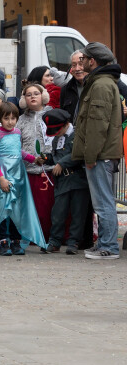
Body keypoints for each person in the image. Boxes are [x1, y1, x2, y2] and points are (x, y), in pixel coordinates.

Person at [73, 42, 123, 260]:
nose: (80, 62)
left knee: (103, 202)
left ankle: (109, 247)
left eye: (83, 58)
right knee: (103, 202)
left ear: (92, 61)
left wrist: (90, 156)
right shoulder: (101, 82)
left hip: (100, 155)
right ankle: (104, 242)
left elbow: (97, 124)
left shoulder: (101, 85)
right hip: (102, 153)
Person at [0, 102, 47, 256]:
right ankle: (2, 240)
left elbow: (19, 152)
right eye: (7, 118)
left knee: (16, 208)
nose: (10, 121)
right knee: (2, 208)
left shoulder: (17, 132)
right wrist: (0, 178)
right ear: (0, 118)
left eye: (13, 118)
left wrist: (34, 159)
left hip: (18, 176)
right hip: (2, 176)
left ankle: (15, 240)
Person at [41, 109, 89, 255]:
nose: (56, 133)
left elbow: (78, 154)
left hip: (78, 180)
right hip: (62, 181)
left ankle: (73, 242)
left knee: (78, 213)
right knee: (58, 213)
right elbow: (56, 157)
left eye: (58, 129)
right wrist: (45, 159)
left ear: (66, 124)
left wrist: (62, 163)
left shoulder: (78, 135)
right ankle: (55, 241)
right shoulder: (57, 138)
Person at [16, 83, 54, 240]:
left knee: (48, 208)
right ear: (24, 99)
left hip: (50, 170)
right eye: (28, 94)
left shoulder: (52, 115)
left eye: (36, 93)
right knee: (32, 208)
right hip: (29, 171)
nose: (32, 96)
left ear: (43, 96)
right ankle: (32, 237)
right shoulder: (20, 120)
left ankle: (49, 237)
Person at [59, 50, 88, 122]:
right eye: (74, 65)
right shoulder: (66, 89)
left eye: (81, 64)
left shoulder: (97, 86)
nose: (77, 69)